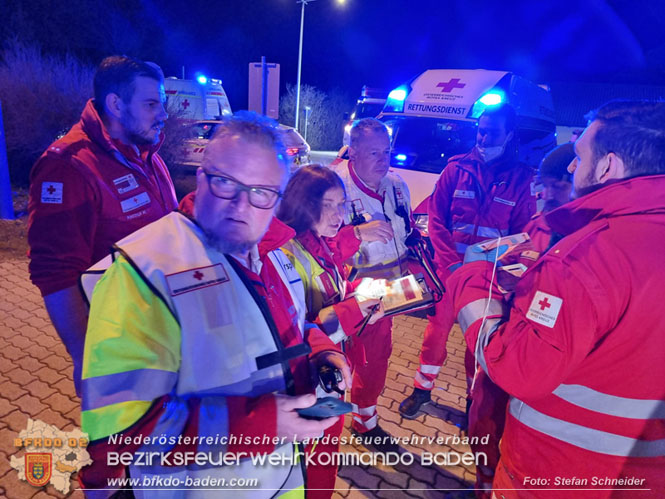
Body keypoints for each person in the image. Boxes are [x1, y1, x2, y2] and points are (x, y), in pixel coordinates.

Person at [79, 114, 350, 497]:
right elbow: (121, 431)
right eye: (225, 182)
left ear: (278, 199)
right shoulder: (144, 271)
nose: (241, 205)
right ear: (201, 176)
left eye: (261, 192)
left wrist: (323, 352)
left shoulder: (272, 255)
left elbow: (289, 329)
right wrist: (262, 425)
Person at [448, 100, 665, 497]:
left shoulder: (588, 255)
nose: (569, 167)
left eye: (579, 155)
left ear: (607, 167)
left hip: (556, 473)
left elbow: (520, 371)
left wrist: (471, 280)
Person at [27, 55, 178, 392]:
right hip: (119, 348)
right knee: (126, 443)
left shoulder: (145, 154)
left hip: (162, 334)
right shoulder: (68, 166)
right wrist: (85, 356)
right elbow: (55, 273)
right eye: (152, 103)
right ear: (116, 104)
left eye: (163, 103)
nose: (164, 115)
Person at [463, 142, 576, 497]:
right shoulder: (541, 224)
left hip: (534, 377)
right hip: (501, 361)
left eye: (556, 187)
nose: (546, 195)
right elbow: (521, 252)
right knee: (483, 429)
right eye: (544, 186)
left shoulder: (588, 243)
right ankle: (483, 485)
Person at [277, 164, 385, 498]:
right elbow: (297, 329)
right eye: (329, 205)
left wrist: (357, 290)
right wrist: (356, 306)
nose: (340, 215)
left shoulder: (318, 244)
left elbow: (327, 291)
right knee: (313, 465)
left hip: (330, 374)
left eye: (342, 204)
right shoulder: (285, 253)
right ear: (302, 203)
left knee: (326, 460)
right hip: (308, 382)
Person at [329, 118, 416, 449]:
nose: (384, 160)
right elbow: (308, 243)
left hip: (391, 291)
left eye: (388, 151)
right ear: (352, 152)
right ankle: (325, 427)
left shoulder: (397, 185)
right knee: (335, 359)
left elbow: (407, 232)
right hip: (343, 292)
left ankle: (365, 424)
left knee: (377, 357)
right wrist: (354, 234)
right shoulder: (332, 186)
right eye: (374, 153)